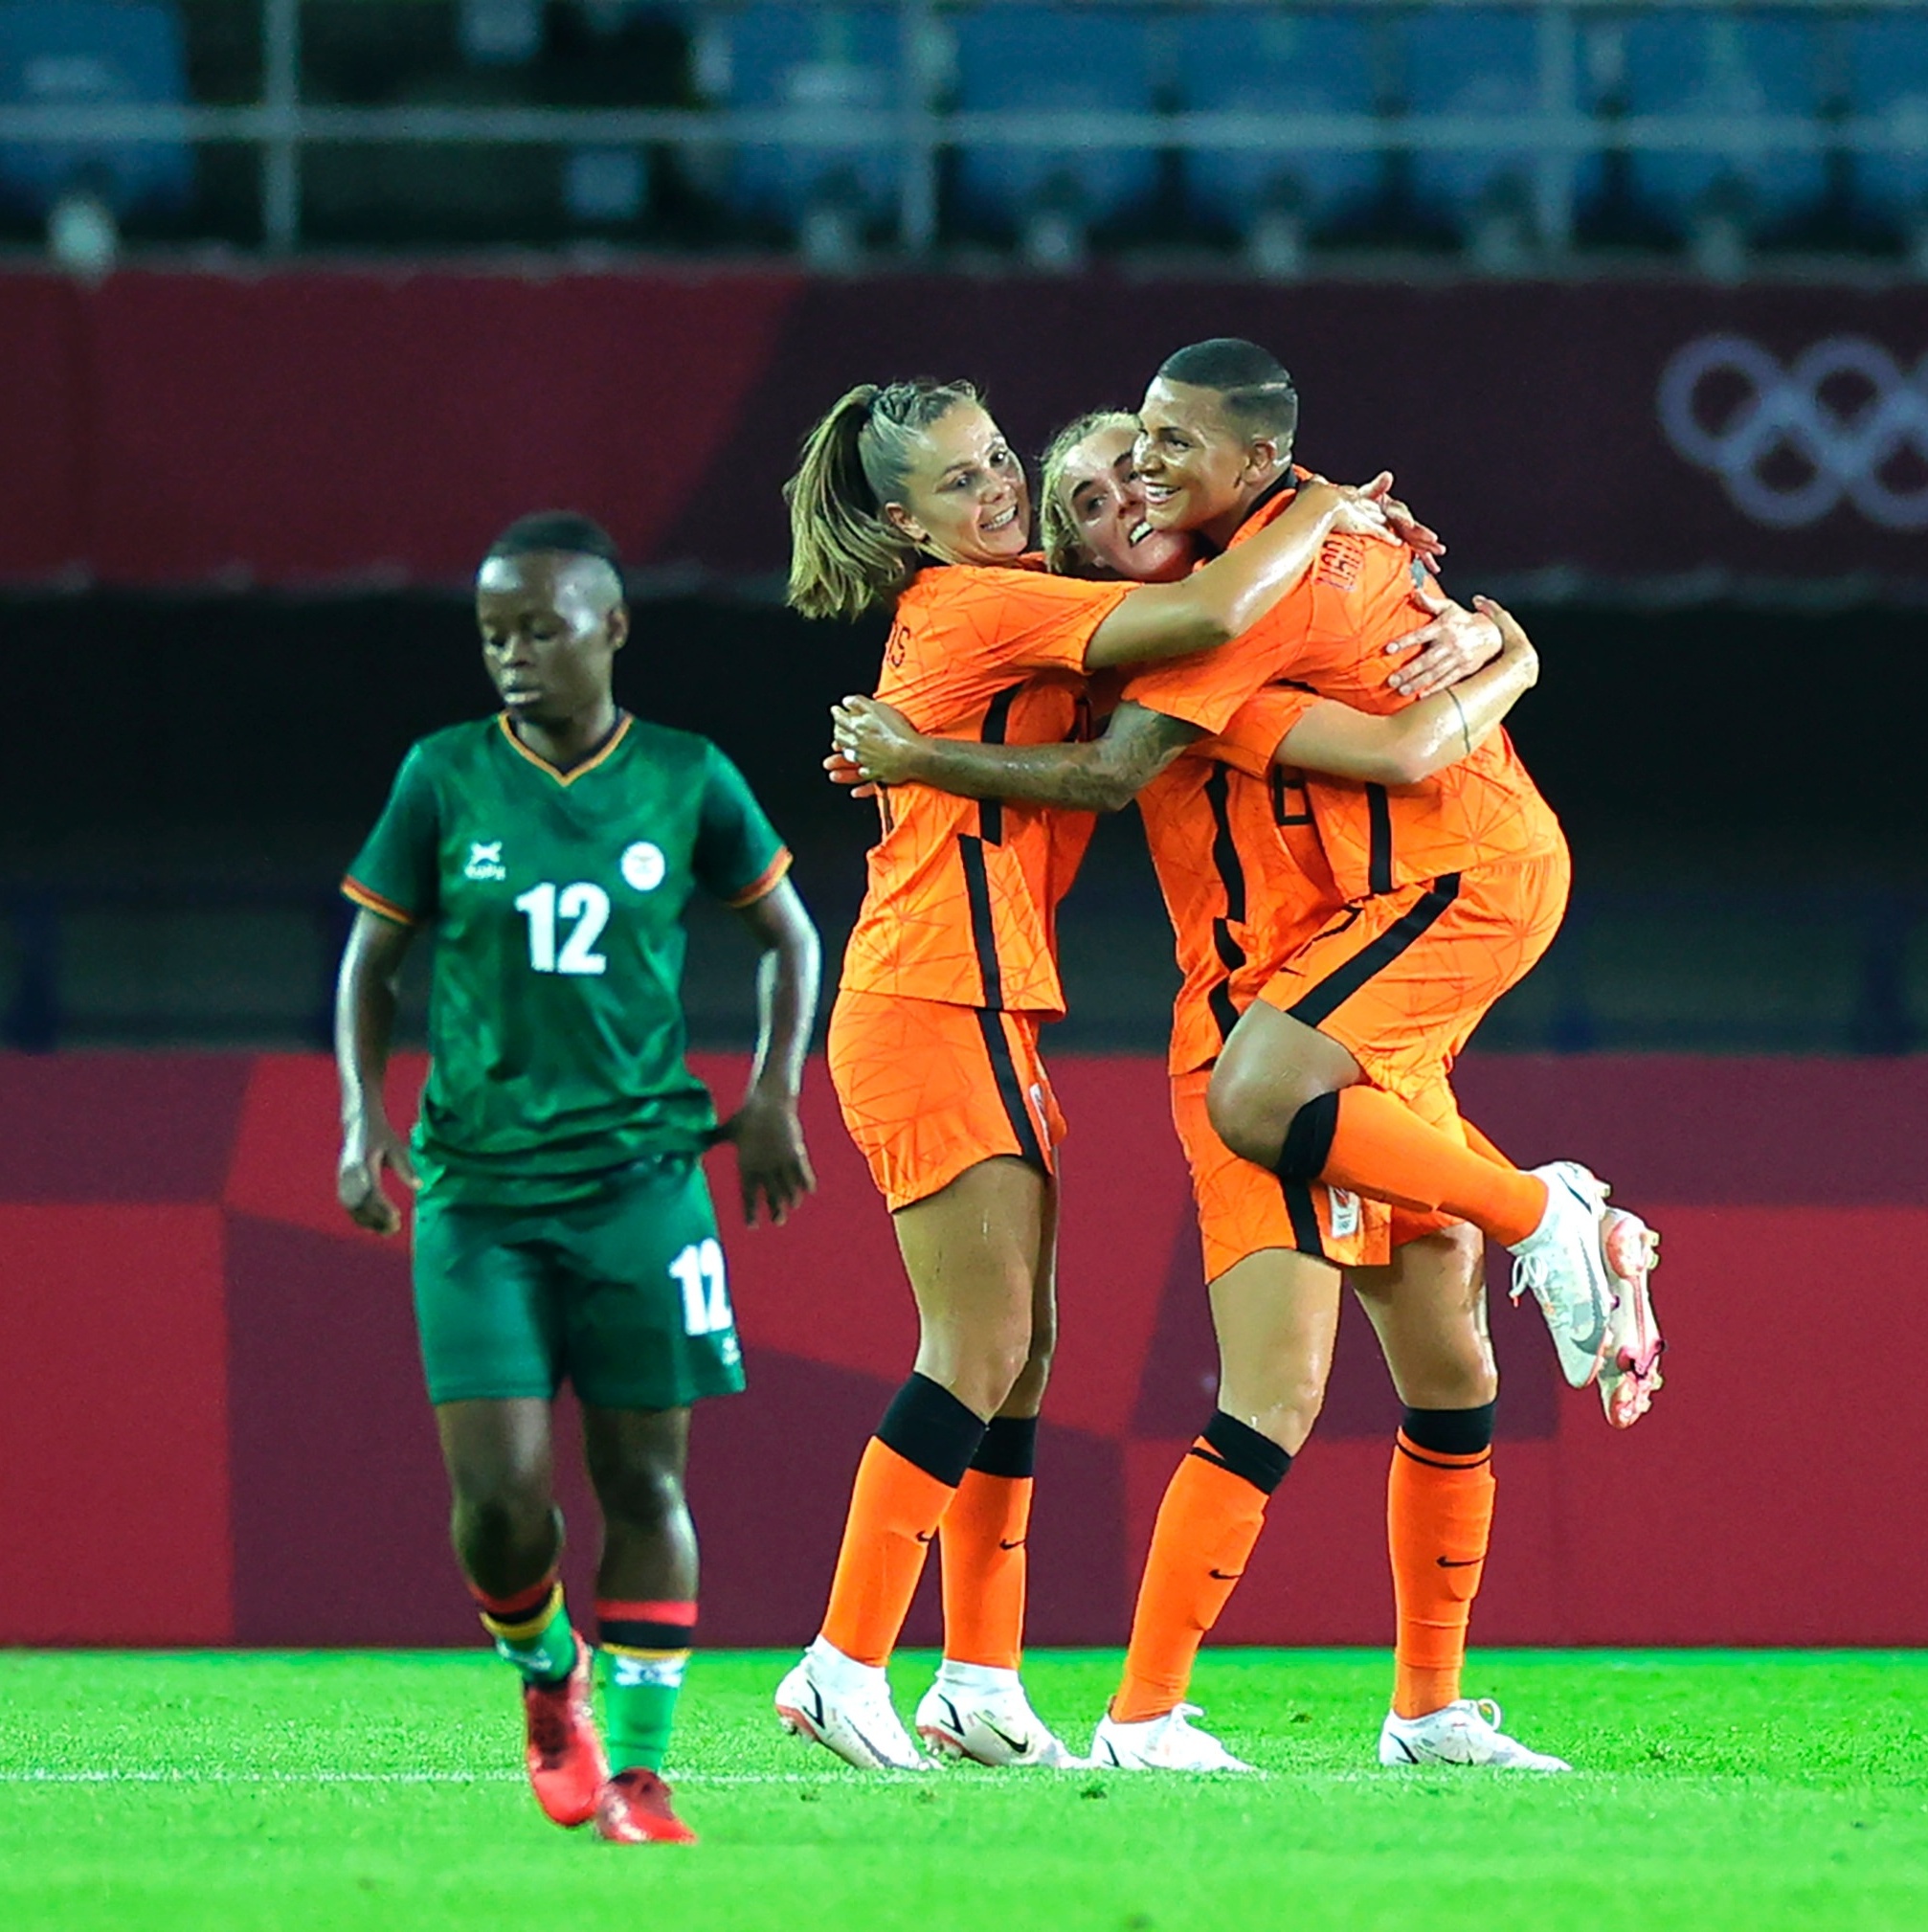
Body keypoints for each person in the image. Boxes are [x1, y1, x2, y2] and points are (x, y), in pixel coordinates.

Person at [833, 411, 1575, 1772]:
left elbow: (1397, 708)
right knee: (1269, 1390)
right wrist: (1368, 538)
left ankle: (1426, 1708)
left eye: (1140, 464)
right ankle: (1132, 1712)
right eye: (1091, 491)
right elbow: (1393, 751)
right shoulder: (1186, 658)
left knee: (1453, 1365)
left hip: (1355, 1035)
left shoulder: (1264, 611)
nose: (1130, 489)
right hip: (1251, 1043)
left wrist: (1503, 639)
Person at [334, 512, 819, 1846]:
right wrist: (351, 1117)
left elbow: (786, 929)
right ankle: (550, 1680)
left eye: (537, 627)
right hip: (477, 1194)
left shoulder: (684, 774)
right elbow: (370, 962)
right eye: (492, 632)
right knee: (498, 1501)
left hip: (643, 1184)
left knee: (646, 1482)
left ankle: (645, 1771)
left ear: (610, 626)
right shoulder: (443, 777)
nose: (510, 655)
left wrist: (774, 1087)